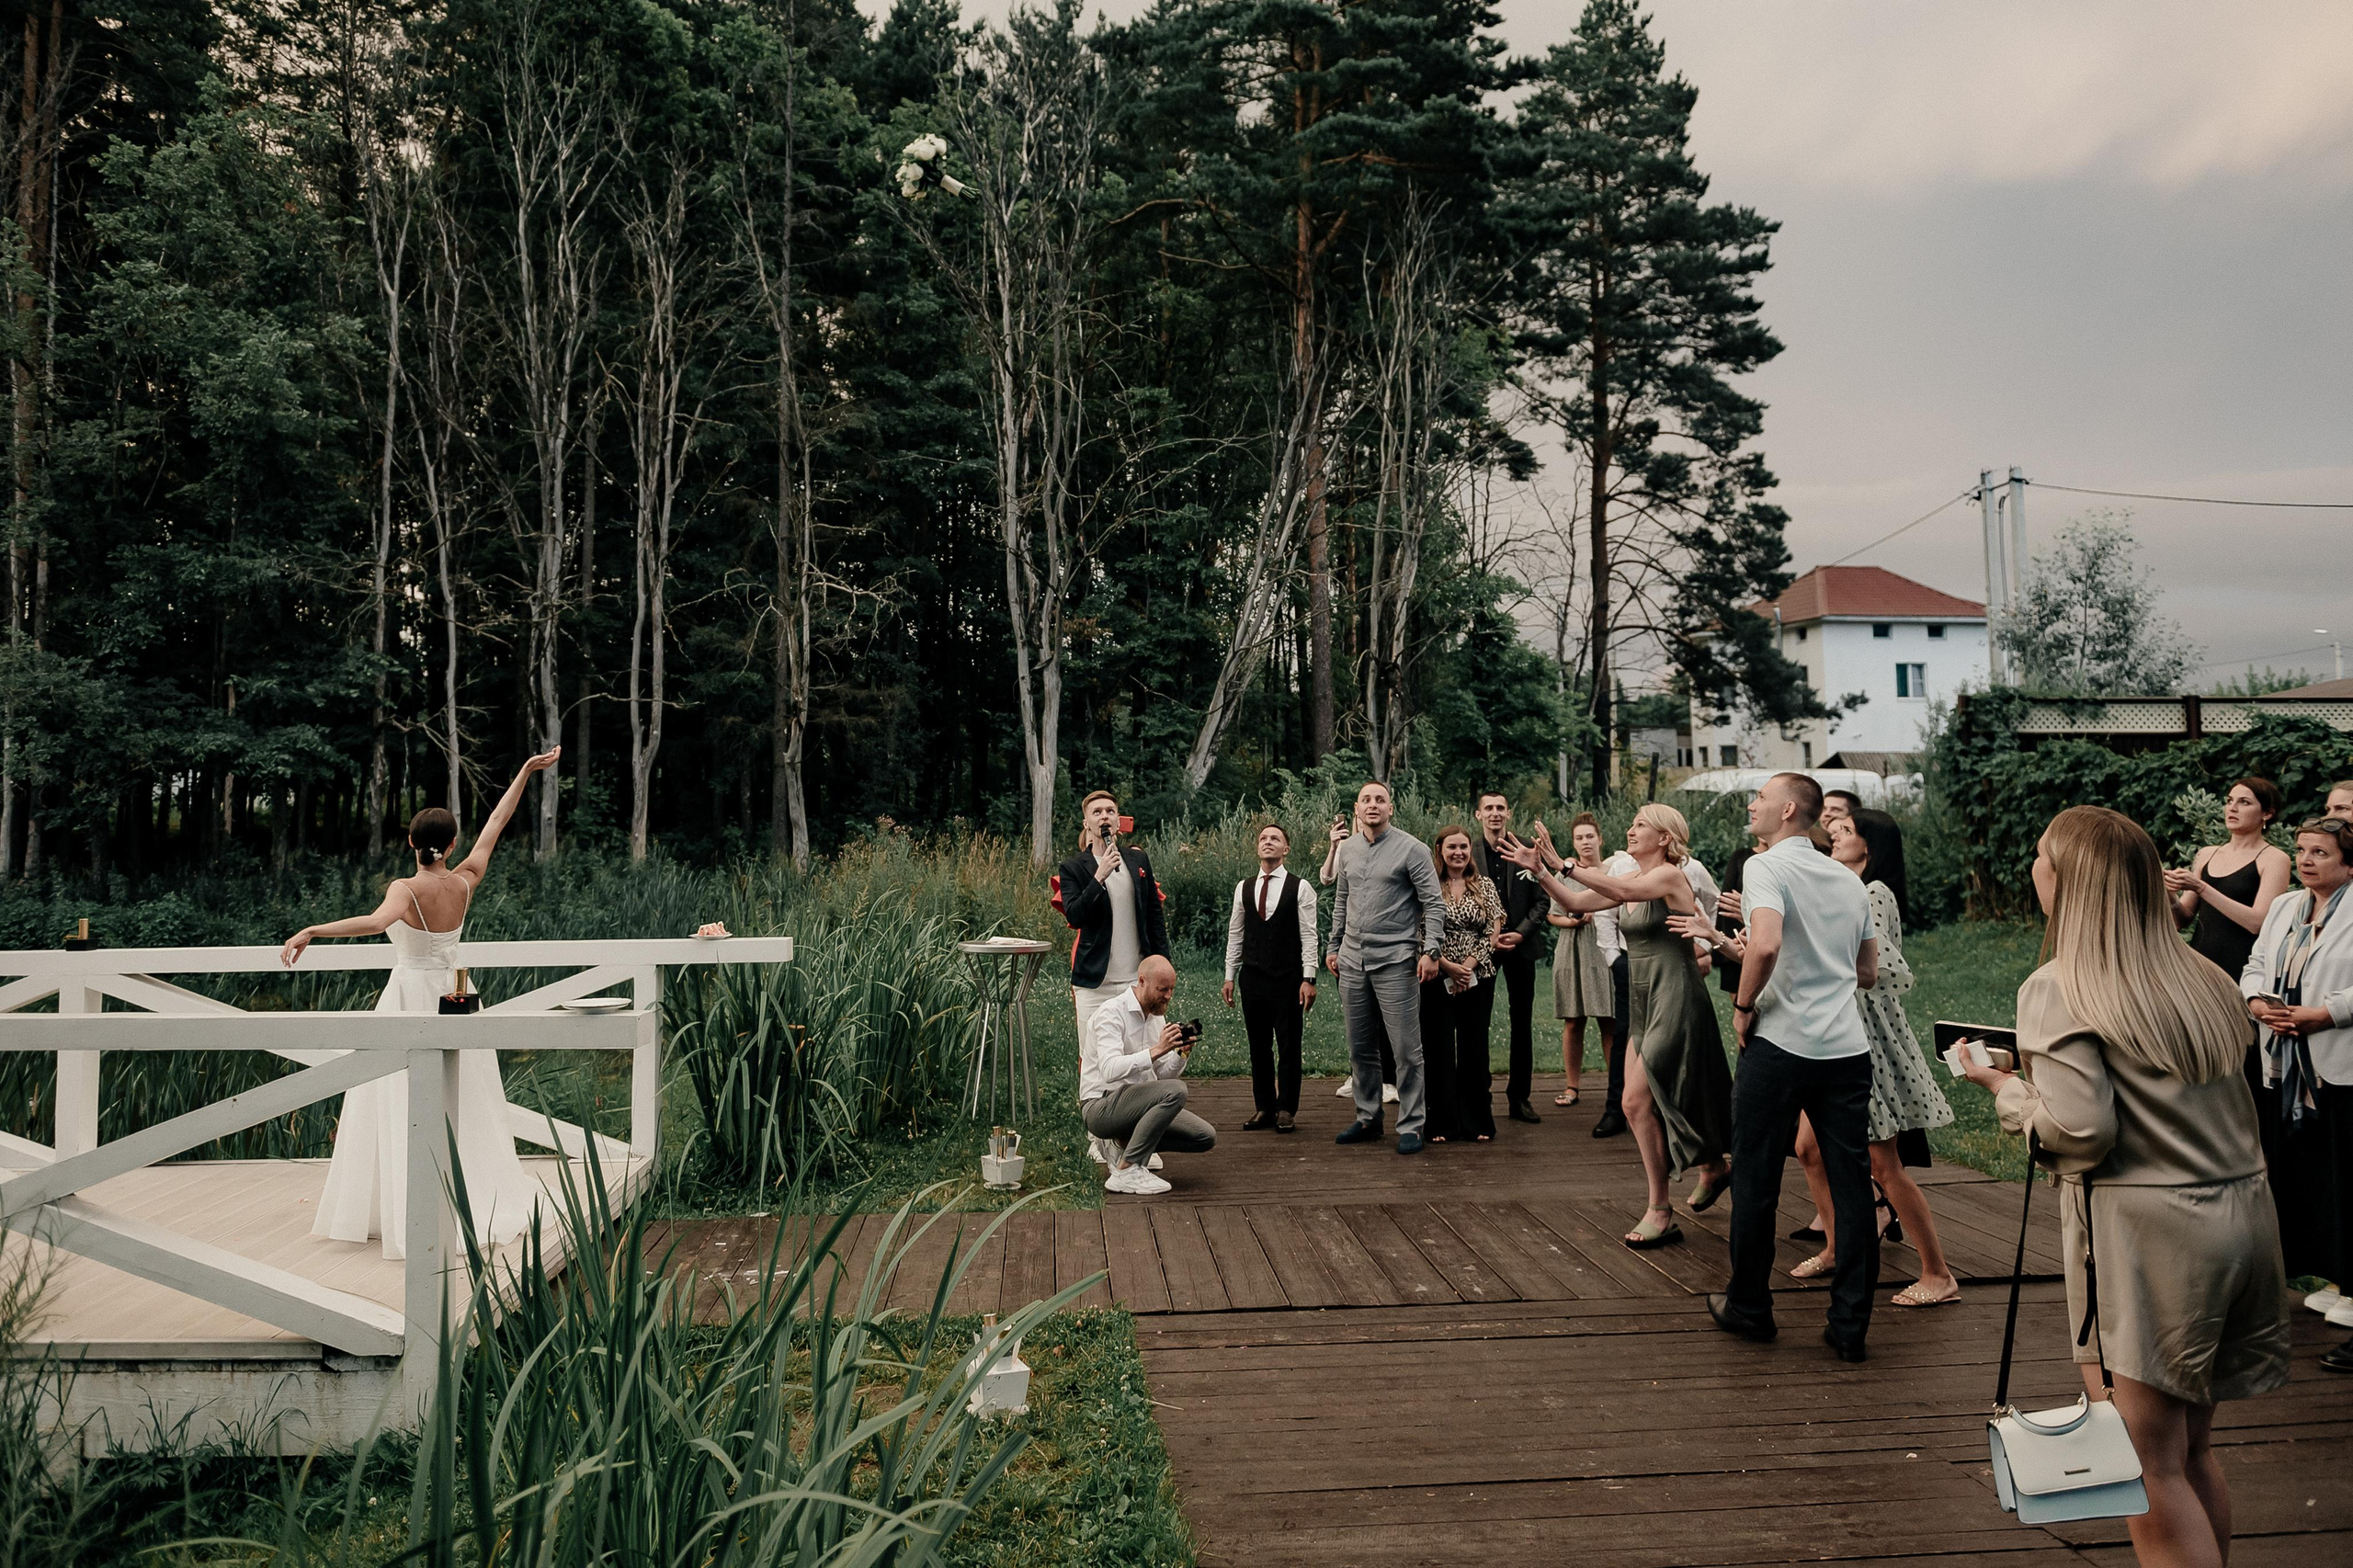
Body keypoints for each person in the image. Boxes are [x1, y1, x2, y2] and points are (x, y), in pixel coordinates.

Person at [1956, 805, 2290, 1568]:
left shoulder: (2060, 986)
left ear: (2066, 880)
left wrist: (2007, 1093)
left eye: (2041, 856)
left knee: (2143, 1463)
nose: (2033, 869)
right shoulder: (2205, 976)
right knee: (2191, 1449)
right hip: (2239, 1218)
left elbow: (2080, 1130)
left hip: (2148, 1237)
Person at [282, 749, 562, 1259]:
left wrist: (313, 929)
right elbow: (496, 824)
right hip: (457, 996)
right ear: (451, 845)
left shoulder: (406, 889)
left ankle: (400, 1208)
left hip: (409, 998)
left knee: (398, 1099)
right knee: (466, 1100)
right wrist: (524, 771)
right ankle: (471, 1196)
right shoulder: (465, 881)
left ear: (411, 843)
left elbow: (374, 923)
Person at [1691, 812, 1960, 1306]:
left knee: (1883, 1163)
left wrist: (1790, 960)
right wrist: (1729, 939)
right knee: (1809, 1150)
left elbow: (1872, 971)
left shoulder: (1871, 891)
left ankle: (1937, 1272)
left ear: (1870, 847)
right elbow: (1800, 956)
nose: (1835, 834)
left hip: (1859, 1034)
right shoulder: (1837, 883)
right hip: (1828, 1028)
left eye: (1848, 832)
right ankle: (1837, 1246)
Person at [1505, 804, 1733, 1247]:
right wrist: (1542, 872)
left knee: (1638, 1097)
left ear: (1664, 838)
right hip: (1644, 998)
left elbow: (1622, 892)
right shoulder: (1629, 876)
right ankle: (1714, 1166)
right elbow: (1576, 902)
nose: (1630, 830)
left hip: (1676, 993)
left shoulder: (1669, 876)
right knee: (1646, 1102)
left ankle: (1660, 1207)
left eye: (1640, 825)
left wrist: (1563, 863)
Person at [1710, 772, 1881, 1360]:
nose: (1751, 805)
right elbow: (1866, 973)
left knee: (1756, 1178)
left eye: (1760, 797)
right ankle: (1850, 1326)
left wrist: (1743, 1007)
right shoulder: (1850, 881)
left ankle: (1750, 1307)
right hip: (1846, 1049)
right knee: (1852, 1184)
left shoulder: (1766, 867)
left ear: (1787, 811)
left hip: (1780, 1044)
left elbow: (1765, 944)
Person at [2240, 815, 2353, 1359]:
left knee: (2344, 1180)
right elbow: (2256, 963)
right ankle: (2320, 1275)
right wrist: (2257, 1003)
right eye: (2302, 850)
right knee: (2297, 1175)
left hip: (2340, 1065)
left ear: (2350, 864)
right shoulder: (2286, 905)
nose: (2305, 860)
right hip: (2284, 1063)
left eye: (2321, 853)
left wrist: (2325, 1014)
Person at [1325, 780, 1446, 1154]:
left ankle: (1411, 1125)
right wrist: (1333, 945)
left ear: (1390, 808)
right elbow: (1342, 899)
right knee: (1360, 1048)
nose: (1373, 805)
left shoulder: (1412, 849)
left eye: (1380, 799)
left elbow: (1434, 903)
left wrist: (1432, 951)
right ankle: (1368, 1118)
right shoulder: (1347, 849)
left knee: (1406, 1050)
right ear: (1357, 809)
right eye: (1366, 800)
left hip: (1396, 960)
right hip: (1352, 960)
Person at [1059, 790, 1171, 1168]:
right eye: (1097, 812)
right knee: (1095, 1059)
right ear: (1087, 822)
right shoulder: (1074, 867)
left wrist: (1162, 964)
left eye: (1110, 810)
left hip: (1135, 981)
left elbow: (1153, 914)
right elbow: (1075, 915)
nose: (1104, 816)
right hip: (1094, 981)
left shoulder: (1137, 860)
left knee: (1142, 1055)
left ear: (1118, 821)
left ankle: (1137, 1138)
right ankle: (1098, 1138)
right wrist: (1100, 875)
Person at [1082, 955, 1216, 1196]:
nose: (1168, 996)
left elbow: (1162, 1077)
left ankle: (1121, 1144)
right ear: (1142, 981)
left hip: (1138, 1108)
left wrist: (1180, 1054)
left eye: (1172, 989)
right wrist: (1157, 1050)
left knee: (1204, 1136)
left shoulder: (1156, 1017)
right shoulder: (1111, 1013)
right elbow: (1109, 1070)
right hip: (1101, 1106)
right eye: (1162, 989)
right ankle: (1128, 1170)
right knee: (1177, 1091)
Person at [1222, 823, 1319, 1133]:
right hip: (1252, 977)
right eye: (1263, 838)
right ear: (1257, 847)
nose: (1268, 842)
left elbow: (1310, 936)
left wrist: (1309, 978)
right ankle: (1264, 1107)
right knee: (1259, 1046)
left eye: (1275, 838)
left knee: (1289, 1045)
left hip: (1288, 978)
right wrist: (1229, 976)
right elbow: (1236, 933)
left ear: (1285, 849)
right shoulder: (1244, 887)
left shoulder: (1300, 887)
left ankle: (1286, 1109)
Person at [2168, 777, 2291, 987]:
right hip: (2199, 966)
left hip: (2243, 969)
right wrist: (2168, 891)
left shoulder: (2274, 859)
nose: (2232, 808)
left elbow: (2257, 923)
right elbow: (2181, 920)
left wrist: (2201, 887)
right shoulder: (2207, 854)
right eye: (2229, 801)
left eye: (2244, 802)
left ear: (2267, 813)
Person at [1423, 826, 1505, 1144]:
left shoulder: (1484, 885)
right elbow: (1419, 929)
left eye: (1463, 847)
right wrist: (1446, 966)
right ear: (1440, 850)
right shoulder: (1429, 884)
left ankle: (1476, 1121)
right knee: (1438, 1048)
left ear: (1471, 850)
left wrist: (1467, 968)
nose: (1458, 853)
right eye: (1451, 847)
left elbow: (1493, 932)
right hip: (1437, 974)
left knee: (1474, 1047)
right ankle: (1441, 1123)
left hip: (1477, 976)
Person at [1472, 790, 1550, 1124]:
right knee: (1477, 1021)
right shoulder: (1468, 850)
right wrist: (1486, 935)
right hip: (1481, 948)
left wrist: (1521, 933)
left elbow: (1543, 900)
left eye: (1500, 808)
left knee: (1521, 1022)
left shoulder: (1526, 849)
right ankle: (1478, 1095)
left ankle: (1520, 1098)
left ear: (1509, 813)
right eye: (1488, 808)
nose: (1495, 813)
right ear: (1478, 814)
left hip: (1520, 944)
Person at [1324, 802, 1398, 1102]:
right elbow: (1327, 879)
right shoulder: (1348, 850)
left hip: (1385, 948)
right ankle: (1358, 1075)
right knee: (1356, 1018)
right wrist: (1334, 846)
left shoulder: (1393, 849)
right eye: (1356, 819)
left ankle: (1389, 1078)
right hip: (1350, 946)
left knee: (1384, 1015)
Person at [1547, 813, 1618, 1109]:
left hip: (1605, 950)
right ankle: (1572, 1085)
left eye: (1590, 836)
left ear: (1600, 839)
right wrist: (1573, 922)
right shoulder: (1565, 874)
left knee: (1609, 1020)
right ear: (1574, 843)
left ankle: (1617, 1089)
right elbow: (1553, 915)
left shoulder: (1615, 871)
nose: (1585, 842)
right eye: (1579, 838)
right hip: (1573, 948)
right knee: (1574, 1021)